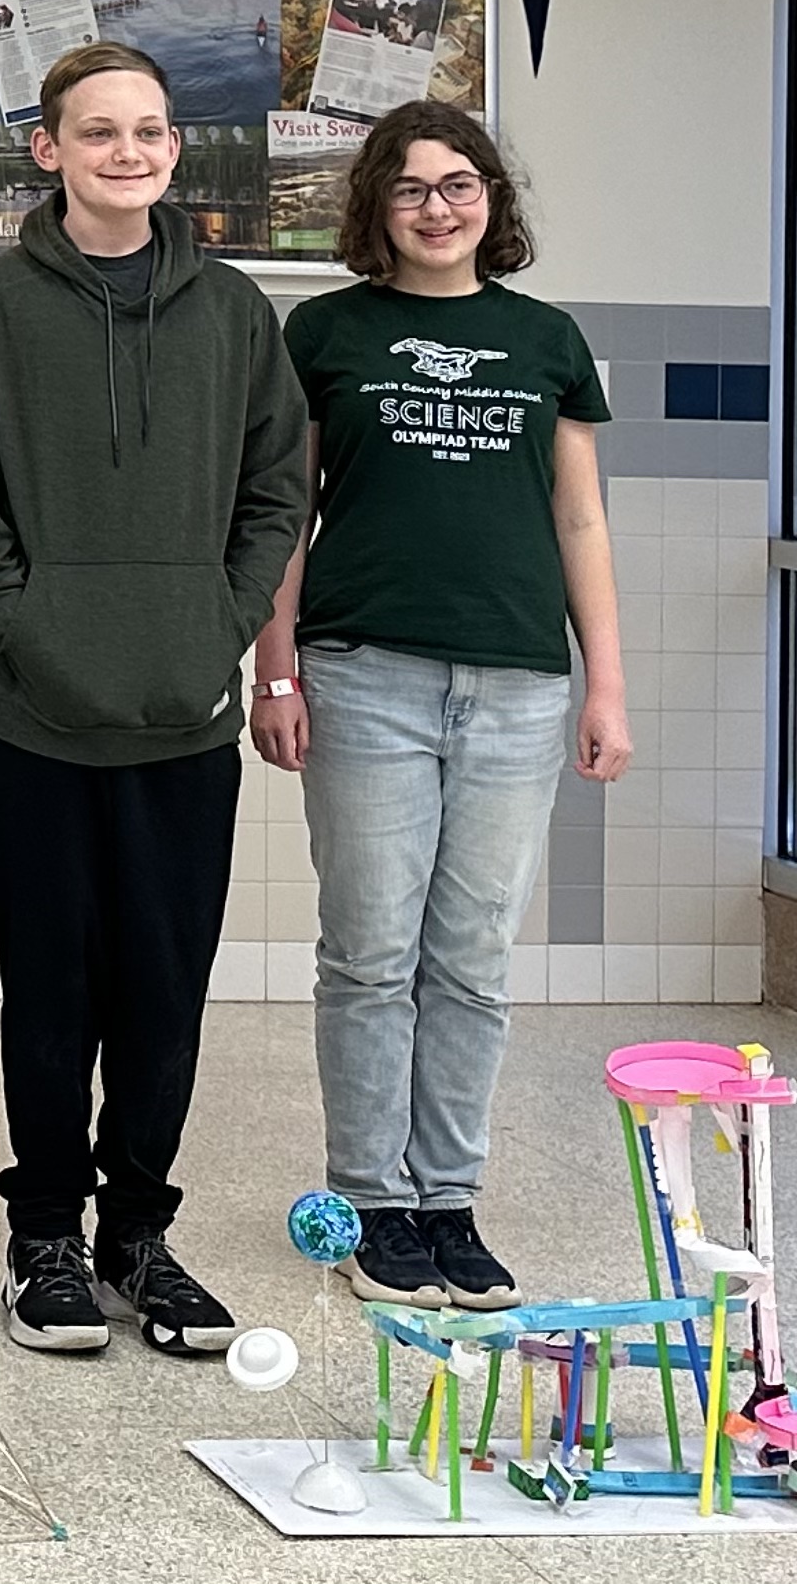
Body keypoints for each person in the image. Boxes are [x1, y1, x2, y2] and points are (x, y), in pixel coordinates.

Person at [0, 41, 306, 1358]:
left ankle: (138, 1234)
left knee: (162, 987)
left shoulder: (235, 314)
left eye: (149, 132)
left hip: (182, 721)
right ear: (48, 150)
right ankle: (45, 1243)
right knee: (50, 987)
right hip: (32, 718)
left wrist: (221, 625)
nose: (128, 153)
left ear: (174, 151)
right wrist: (27, 624)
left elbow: (276, 496)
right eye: (99, 133)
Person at [248, 101, 628, 1312]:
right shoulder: (323, 333)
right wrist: (274, 666)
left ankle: (448, 1199)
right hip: (363, 674)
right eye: (410, 189)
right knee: (368, 954)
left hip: (517, 685)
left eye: (458, 185)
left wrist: (604, 682)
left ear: (491, 201)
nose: (436, 207)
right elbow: (281, 516)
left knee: (468, 960)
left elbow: (579, 518)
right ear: (375, 207)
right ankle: (371, 1202)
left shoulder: (546, 339)